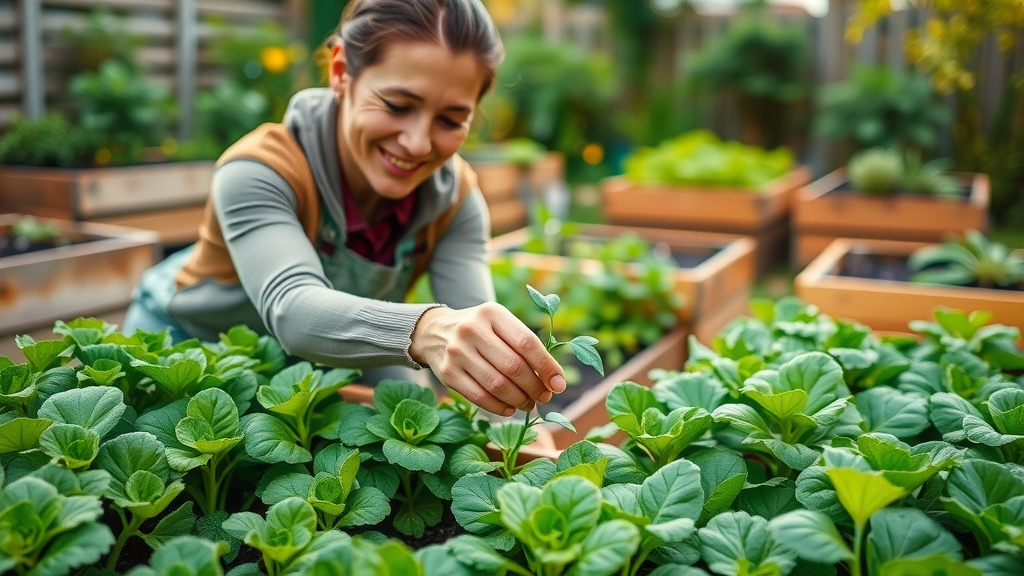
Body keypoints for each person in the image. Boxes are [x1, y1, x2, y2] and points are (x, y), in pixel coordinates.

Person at [123, 0, 566, 416]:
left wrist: (514, 426)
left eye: (450, 120)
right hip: (190, 347)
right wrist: (427, 328)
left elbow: (475, 345)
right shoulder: (260, 169)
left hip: (325, 353)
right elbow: (294, 311)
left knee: (415, 406)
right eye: (397, 105)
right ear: (340, 72)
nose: (418, 142)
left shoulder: (455, 200)